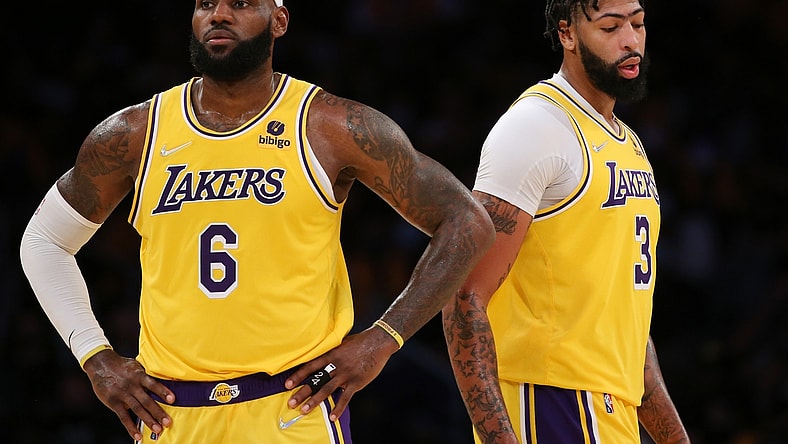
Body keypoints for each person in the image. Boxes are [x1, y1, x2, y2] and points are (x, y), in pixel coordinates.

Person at [19, 1, 495, 443]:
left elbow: (467, 222)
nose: (219, 15)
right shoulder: (134, 133)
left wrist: (382, 340)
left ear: (279, 21)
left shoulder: (331, 126)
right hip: (170, 413)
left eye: (242, 3)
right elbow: (43, 241)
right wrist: (94, 356)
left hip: (292, 410)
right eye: (206, 3)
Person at [442, 1, 690, 443]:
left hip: (612, 409)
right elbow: (462, 294)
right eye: (611, 26)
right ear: (567, 34)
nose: (630, 41)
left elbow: (625, 322)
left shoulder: (628, 143)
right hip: (551, 401)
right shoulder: (535, 127)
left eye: (638, 23)